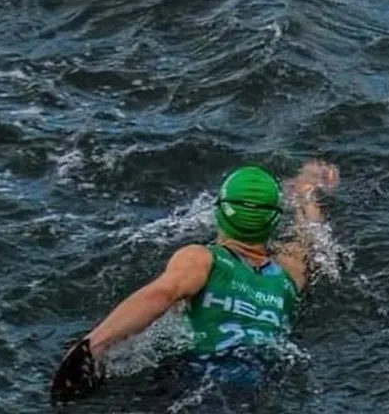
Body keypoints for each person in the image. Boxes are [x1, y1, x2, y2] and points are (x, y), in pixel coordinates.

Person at [49, 161, 338, 403]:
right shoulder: (290, 274)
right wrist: (306, 191)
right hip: (260, 384)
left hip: (197, 378)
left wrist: (91, 347)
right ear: (273, 221)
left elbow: (159, 296)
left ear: (221, 211)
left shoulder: (203, 259)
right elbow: (310, 237)